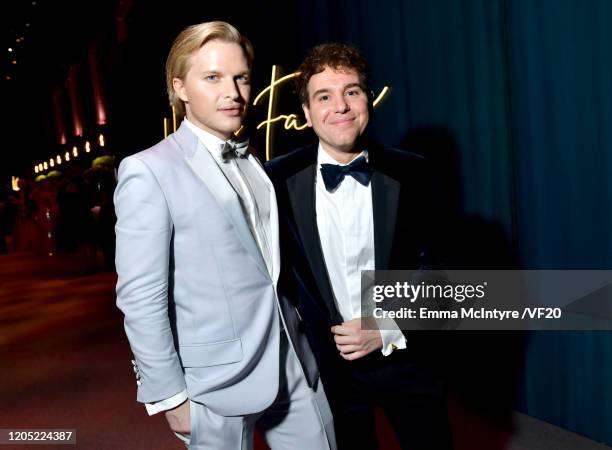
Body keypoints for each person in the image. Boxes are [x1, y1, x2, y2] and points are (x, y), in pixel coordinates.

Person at [114, 21, 335, 450]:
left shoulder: (253, 163)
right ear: (180, 87)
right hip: (211, 383)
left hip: (291, 361)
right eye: (212, 77)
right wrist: (169, 395)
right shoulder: (148, 170)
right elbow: (140, 295)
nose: (232, 92)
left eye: (241, 77)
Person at [266, 42, 453, 449]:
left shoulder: (413, 172)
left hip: (407, 359)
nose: (341, 106)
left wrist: (384, 326)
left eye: (352, 91)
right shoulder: (275, 181)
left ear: (368, 99)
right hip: (329, 373)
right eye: (324, 96)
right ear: (306, 112)